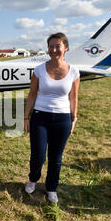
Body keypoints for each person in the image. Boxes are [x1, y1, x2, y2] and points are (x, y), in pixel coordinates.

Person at [23, 32, 80, 203]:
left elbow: (74, 97)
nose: (54, 49)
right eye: (51, 46)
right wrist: (26, 117)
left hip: (62, 118)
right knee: (38, 155)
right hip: (40, 117)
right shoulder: (39, 69)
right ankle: (33, 179)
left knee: (56, 157)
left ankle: (51, 188)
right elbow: (32, 94)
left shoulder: (74, 71)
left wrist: (74, 117)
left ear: (65, 48)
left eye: (58, 46)